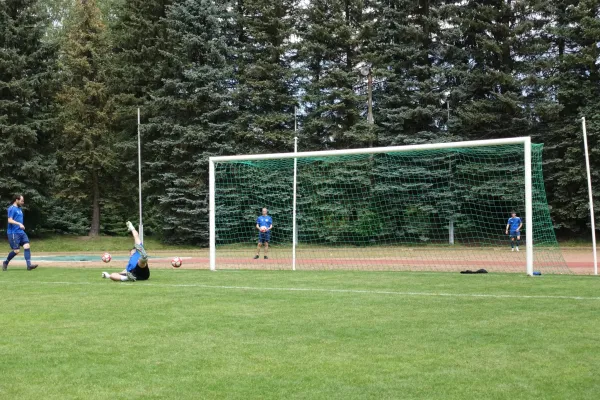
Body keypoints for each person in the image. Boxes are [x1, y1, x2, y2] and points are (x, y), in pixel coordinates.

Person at [2, 195, 38, 271]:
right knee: (16, 251)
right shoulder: (11, 209)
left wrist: (21, 226)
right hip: (13, 233)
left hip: (21, 232)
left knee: (27, 246)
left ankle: (29, 265)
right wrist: (19, 224)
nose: (23, 202)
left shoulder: (19, 209)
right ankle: (6, 262)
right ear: (16, 200)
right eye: (21, 201)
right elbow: (10, 220)